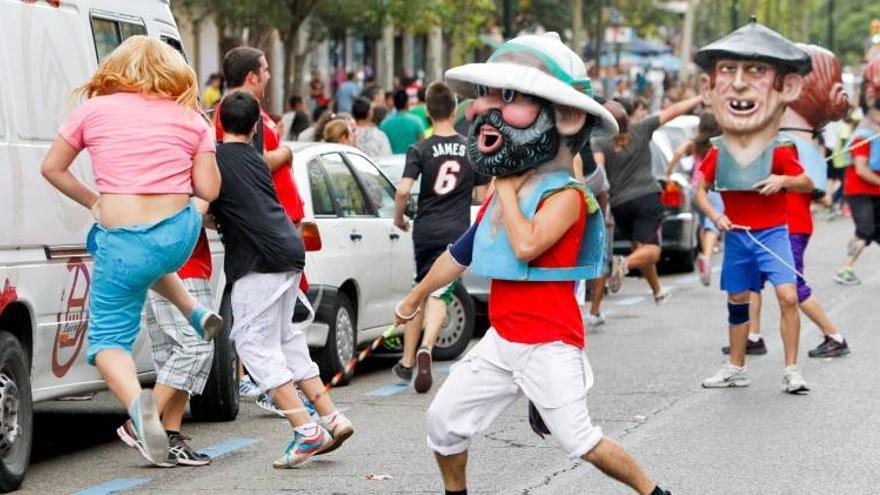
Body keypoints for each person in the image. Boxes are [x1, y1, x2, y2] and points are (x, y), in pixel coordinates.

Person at [396, 32, 672, 495]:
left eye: (507, 97)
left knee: (580, 440)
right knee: (443, 425)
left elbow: (526, 246)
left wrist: (501, 181)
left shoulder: (566, 195)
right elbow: (460, 253)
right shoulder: (501, 195)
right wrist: (416, 295)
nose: (482, 109)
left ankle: (654, 492)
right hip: (502, 339)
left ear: (562, 117)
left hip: (550, 343)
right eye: (485, 97)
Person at [40, 36, 222, 466]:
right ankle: (193, 309)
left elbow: (52, 167)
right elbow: (209, 188)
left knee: (108, 339)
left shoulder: (92, 111)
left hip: (123, 239)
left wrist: (93, 201)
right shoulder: (190, 117)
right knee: (148, 257)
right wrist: (196, 200)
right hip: (177, 236)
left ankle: (138, 409)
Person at [211, 90, 353, 468]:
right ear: (256, 126)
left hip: (259, 259)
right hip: (289, 251)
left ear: (219, 122)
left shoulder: (216, 161)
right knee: (287, 340)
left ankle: (306, 431)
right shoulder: (257, 161)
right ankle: (331, 416)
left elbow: (210, 205)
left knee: (252, 344)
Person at [693, 21, 814, 394]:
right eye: (728, 71)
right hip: (739, 236)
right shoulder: (718, 150)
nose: (740, 83)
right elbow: (699, 189)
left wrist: (784, 181)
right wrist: (716, 216)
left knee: (788, 295)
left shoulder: (779, 149)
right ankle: (736, 367)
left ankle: (792, 370)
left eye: (755, 71)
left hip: (774, 232)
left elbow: (808, 182)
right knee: (737, 301)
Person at [733, 44, 851, 359]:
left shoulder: (793, 144)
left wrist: (786, 181)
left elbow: (814, 188)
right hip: (771, 224)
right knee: (752, 281)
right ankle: (753, 336)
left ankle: (834, 336)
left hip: (790, 226)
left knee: (794, 290)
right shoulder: (778, 139)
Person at [213, 47, 308, 406]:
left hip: (272, 236)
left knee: (279, 334)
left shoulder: (253, 113)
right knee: (258, 336)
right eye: (265, 70)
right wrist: (285, 154)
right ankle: (296, 410)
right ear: (252, 76)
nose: (268, 75)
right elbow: (246, 163)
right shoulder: (235, 113)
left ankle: (313, 414)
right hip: (262, 240)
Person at [391, 82, 489, 393]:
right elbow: (483, 195)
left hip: (425, 228)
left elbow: (403, 189)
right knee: (440, 291)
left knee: (420, 288)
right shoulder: (470, 149)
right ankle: (427, 348)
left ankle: (407, 361)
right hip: (456, 231)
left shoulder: (420, 148)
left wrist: (399, 218)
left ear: (428, 111)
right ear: (455, 108)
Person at [594, 95, 702, 302]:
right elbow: (674, 110)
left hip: (620, 205)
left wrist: (602, 206)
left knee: (639, 248)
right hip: (646, 198)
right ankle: (623, 264)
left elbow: (600, 174)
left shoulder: (600, 142)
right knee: (652, 252)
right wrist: (698, 97)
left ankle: (657, 291)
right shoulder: (641, 128)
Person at [834, 55, 880, 286]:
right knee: (865, 229)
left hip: (874, 191)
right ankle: (845, 269)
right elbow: (861, 169)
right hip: (860, 190)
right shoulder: (863, 134)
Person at [665, 112, 724, 286]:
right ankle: (706, 255)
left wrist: (668, 172)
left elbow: (677, 152)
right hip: (712, 188)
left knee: (704, 220)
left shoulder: (695, 143)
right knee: (714, 223)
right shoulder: (719, 144)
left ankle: (704, 251)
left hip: (694, 190)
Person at [380, 88, 426, 154]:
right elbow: (422, 143)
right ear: (407, 103)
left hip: (390, 161)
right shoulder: (417, 121)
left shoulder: (384, 123)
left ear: (394, 103)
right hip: (412, 160)